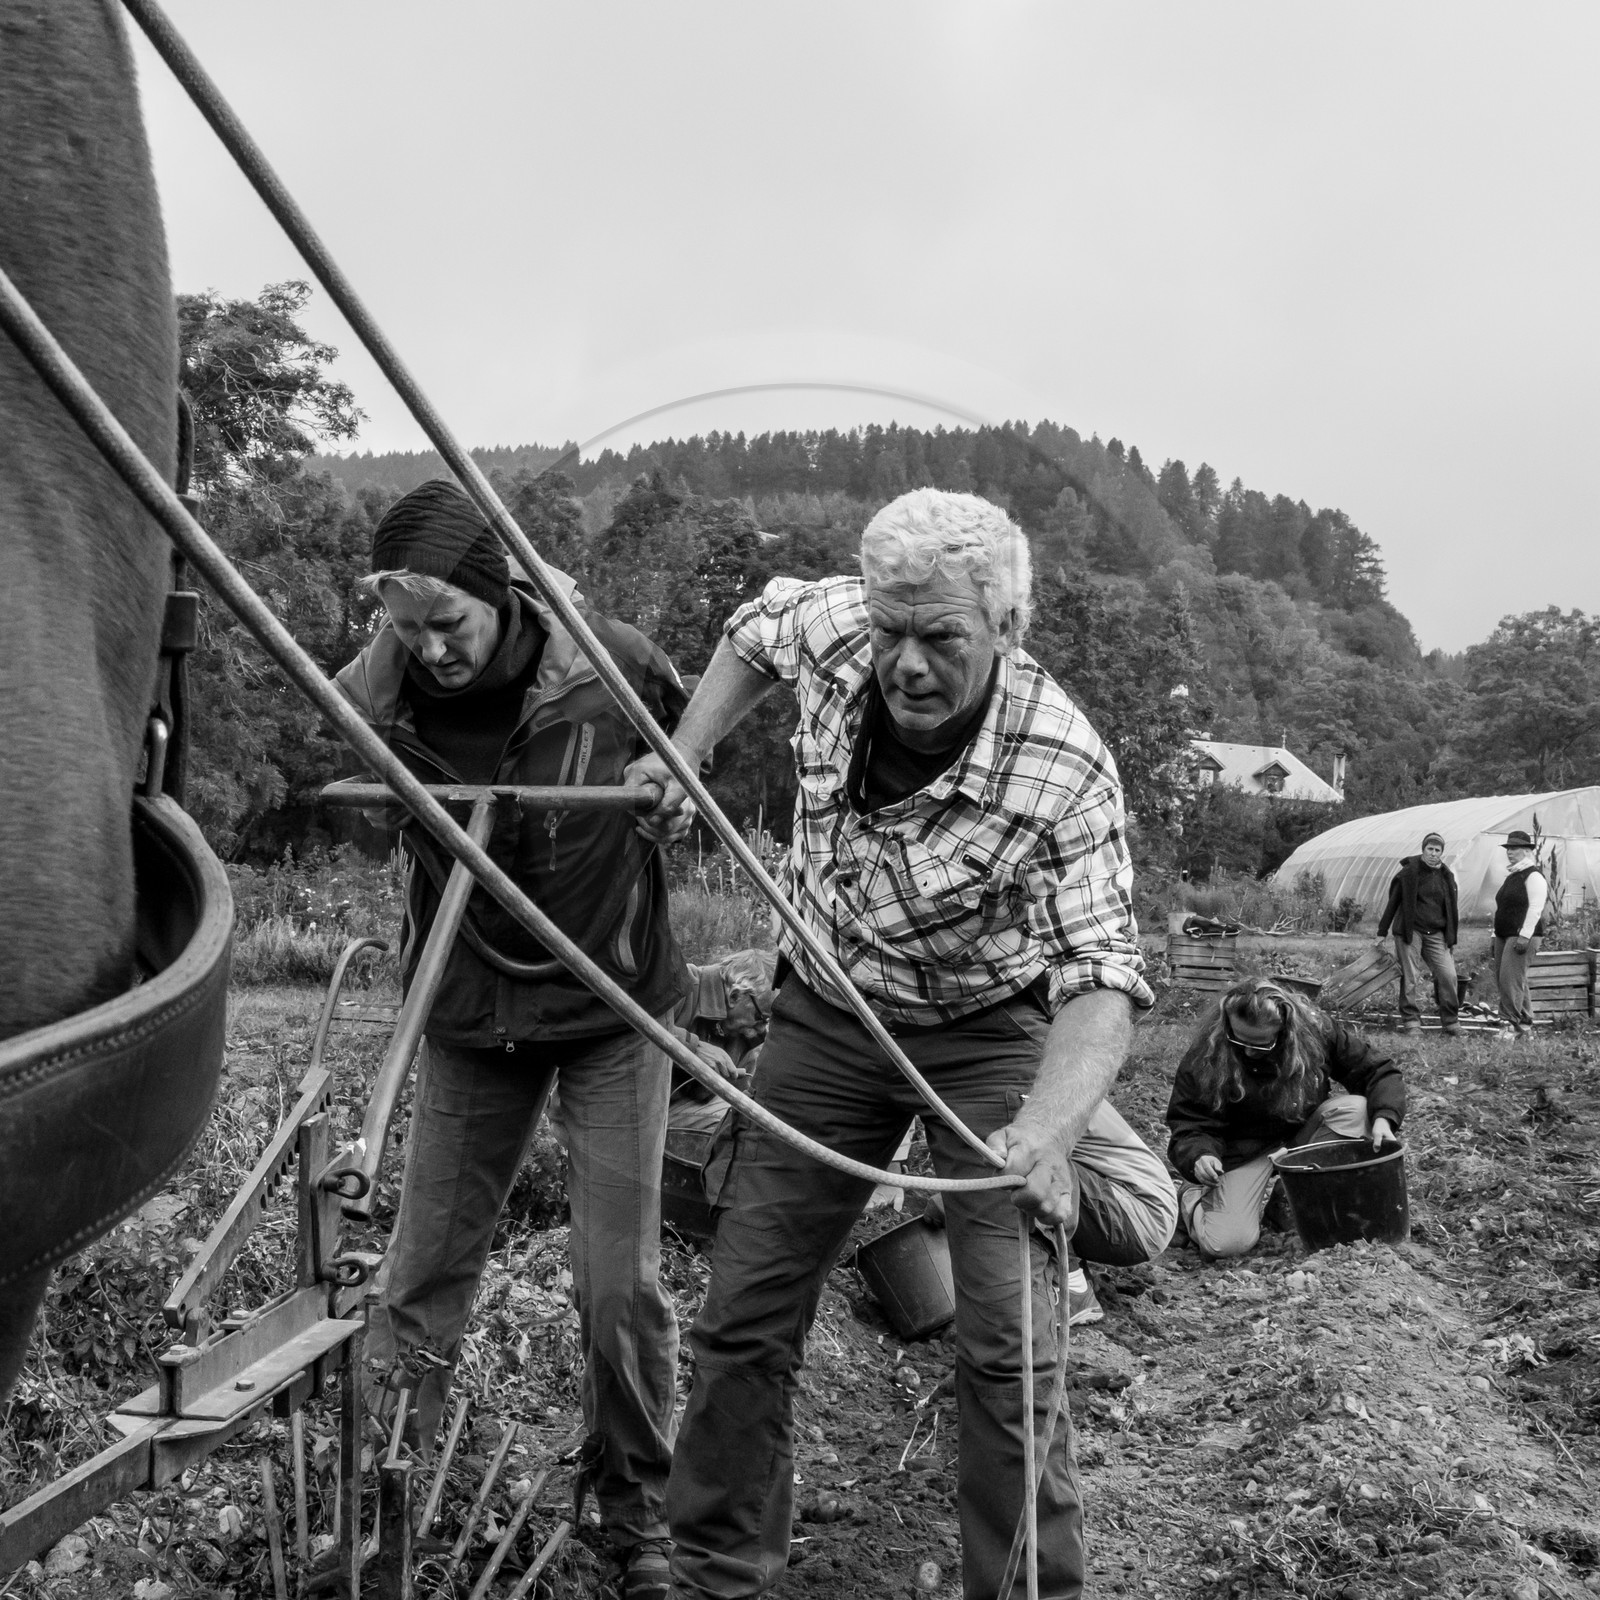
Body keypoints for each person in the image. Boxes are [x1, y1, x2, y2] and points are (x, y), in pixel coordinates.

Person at [629, 487, 1158, 1600]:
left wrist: (1047, 1134)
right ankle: (715, 1571)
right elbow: (752, 631)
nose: (906, 664)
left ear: (1006, 628)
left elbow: (1101, 979)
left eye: (942, 638)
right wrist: (687, 752)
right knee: (744, 1313)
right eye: (890, 632)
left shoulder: (1063, 768)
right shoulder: (833, 626)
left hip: (987, 1033)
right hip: (828, 1011)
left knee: (1010, 1347)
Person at [335, 479, 690, 1600]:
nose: (434, 648)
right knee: (423, 1270)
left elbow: (689, 749)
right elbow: (351, 809)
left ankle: (637, 1511)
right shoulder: (374, 693)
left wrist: (670, 784)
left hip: (609, 1003)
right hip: (470, 1002)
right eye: (409, 628)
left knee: (613, 1283)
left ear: (503, 595)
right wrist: (374, 772)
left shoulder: (609, 663)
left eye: (452, 622)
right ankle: (389, 1504)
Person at [1165, 977, 1405, 1259]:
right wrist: (1200, 1156)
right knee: (1226, 1244)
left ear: (1286, 1031)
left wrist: (1384, 1119)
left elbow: (1377, 1071)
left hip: (1298, 1136)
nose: (1249, 1052)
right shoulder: (1207, 1054)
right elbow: (1190, 1121)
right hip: (1240, 1151)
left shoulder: (1315, 1032)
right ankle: (1192, 1198)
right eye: (1238, 1040)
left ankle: (1288, 1200)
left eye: (1261, 1044)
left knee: (1356, 1109)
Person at [1376, 830, 1461, 1035]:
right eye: (1429, 849)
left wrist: (1451, 937)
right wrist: (1382, 931)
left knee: (1448, 975)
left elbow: (1451, 908)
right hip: (1410, 931)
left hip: (1437, 933)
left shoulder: (1446, 876)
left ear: (1442, 852)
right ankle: (1411, 1021)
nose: (1433, 853)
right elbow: (1393, 902)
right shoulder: (1409, 873)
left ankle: (1450, 1021)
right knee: (1411, 975)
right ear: (1423, 850)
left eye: (1437, 850)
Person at [1492, 829, 1548, 1038]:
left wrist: (1524, 936)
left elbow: (1535, 908)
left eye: (1514, 848)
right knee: (1508, 978)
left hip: (1522, 935)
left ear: (1526, 851)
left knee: (1510, 980)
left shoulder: (1533, 876)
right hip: (1504, 933)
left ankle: (1509, 1024)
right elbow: (1503, 907)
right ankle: (1524, 1024)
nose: (1510, 852)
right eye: (1508, 848)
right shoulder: (1513, 875)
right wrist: (1494, 934)